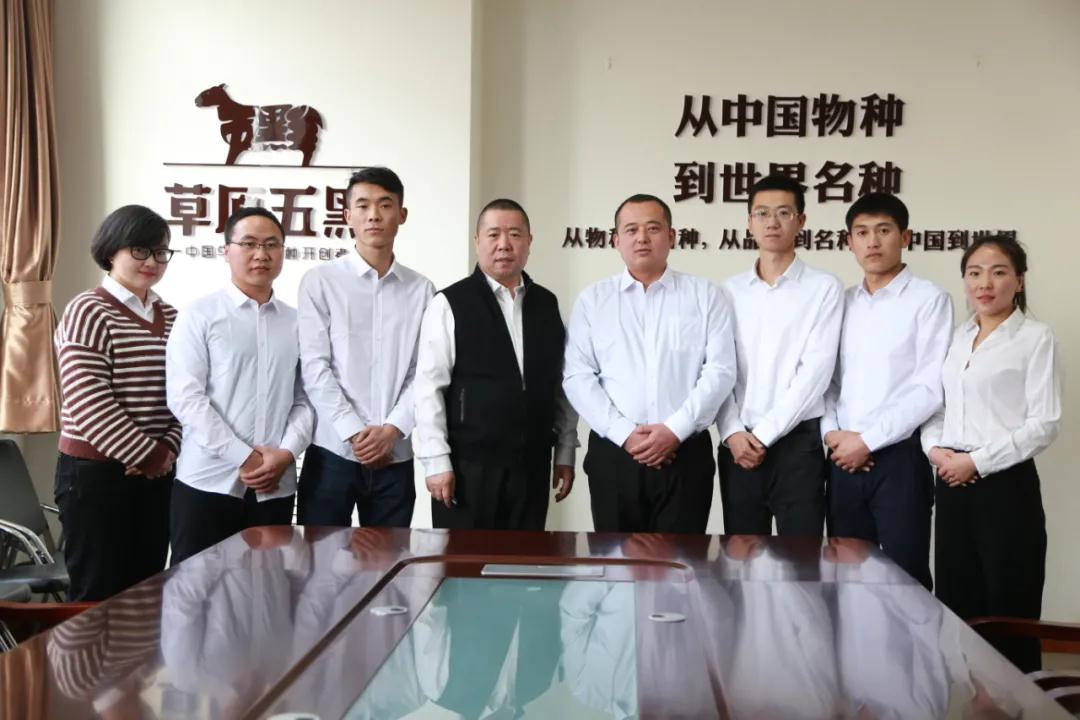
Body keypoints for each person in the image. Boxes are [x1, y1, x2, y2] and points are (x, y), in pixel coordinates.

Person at [922, 234, 1061, 672]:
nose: (985, 283)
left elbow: (1044, 423)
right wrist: (936, 450)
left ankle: (1017, 701)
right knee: (956, 599)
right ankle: (964, 698)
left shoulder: (1035, 337)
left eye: (998, 272)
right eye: (975, 273)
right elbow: (938, 407)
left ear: (1019, 281)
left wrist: (976, 462)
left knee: (1009, 603)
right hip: (951, 481)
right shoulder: (958, 337)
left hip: (1005, 484)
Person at [563, 193, 736, 533]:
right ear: (616, 240)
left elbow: (720, 370)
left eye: (653, 228)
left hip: (685, 453)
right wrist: (626, 435)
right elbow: (577, 376)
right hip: (615, 454)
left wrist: (674, 430)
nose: (642, 237)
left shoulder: (704, 295)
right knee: (615, 561)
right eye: (631, 230)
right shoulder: (593, 300)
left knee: (682, 560)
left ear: (671, 236)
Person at [414, 198, 577, 529]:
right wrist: (436, 461)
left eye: (515, 234)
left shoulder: (546, 304)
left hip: (532, 466)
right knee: (464, 559)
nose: (504, 244)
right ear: (477, 241)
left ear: (529, 241)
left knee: (525, 557)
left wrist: (565, 450)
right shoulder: (450, 303)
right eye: (493, 235)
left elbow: (561, 384)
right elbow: (429, 388)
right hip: (468, 467)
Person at [166, 207, 313, 565]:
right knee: (197, 587)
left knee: (268, 586)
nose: (261, 254)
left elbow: (307, 399)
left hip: (274, 485)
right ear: (226, 251)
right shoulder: (199, 314)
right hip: (207, 481)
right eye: (248, 244)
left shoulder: (297, 322)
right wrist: (244, 457)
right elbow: (186, 398)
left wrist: (286, 453)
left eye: (271, 245)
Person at [822, 192, 953, 589]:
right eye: (862, 233)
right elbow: (828, 380)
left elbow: (930, 388)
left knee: (905, 579)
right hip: (843, 460)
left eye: (883, 231)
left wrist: (867, 441)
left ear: (905, 237)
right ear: (849, 242)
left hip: (899, 459)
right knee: (845, 578)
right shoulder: (843, 302)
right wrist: (832, 434)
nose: (873, 242)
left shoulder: (929, 300)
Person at [53, 205, 180, 600]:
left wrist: (167, 449)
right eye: (140, 250)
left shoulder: (172, 316)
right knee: (96, 595)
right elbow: (89, 402)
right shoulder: (87, 310)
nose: (152, 262)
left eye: (160, 252)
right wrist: (148, 455)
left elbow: (188, 394)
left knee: (145, 593)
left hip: (157, 473)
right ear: (111, 251)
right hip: (95, 476)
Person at [297, 167, 434, 527]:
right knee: (320, 556)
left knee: (390, 556)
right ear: (347, 215)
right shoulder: (320, 282)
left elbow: (424, 371)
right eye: (363, 205)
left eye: (385, 205)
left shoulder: (421, 290)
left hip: (395, 455)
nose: (374, 215)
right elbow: (314, 367)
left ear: (402, 215)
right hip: (332, 451)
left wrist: (392, 430)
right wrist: (355, 432)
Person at [716, 175, 843, 537]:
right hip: (738, 445)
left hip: (797, 446)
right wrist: (731, 431)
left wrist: (764, 435)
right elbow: (719, 370)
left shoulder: (824, 288)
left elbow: (816, 373)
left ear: (801, 221)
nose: (772, 222)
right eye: (762, 213)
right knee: (740, 558)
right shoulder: (728, 291)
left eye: (784, 213)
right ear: (749, 222)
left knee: (800, 560)